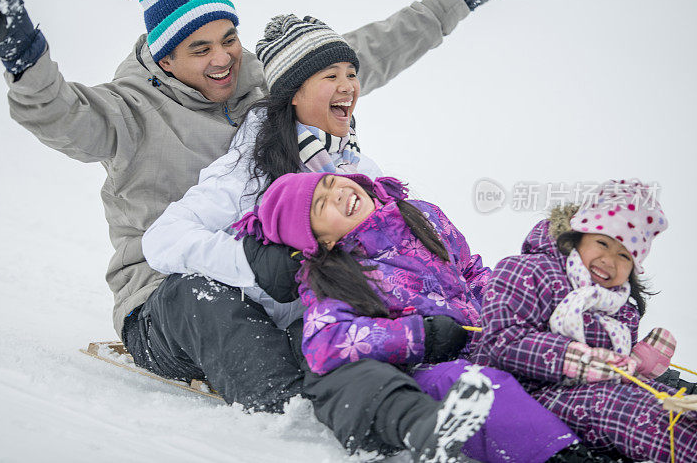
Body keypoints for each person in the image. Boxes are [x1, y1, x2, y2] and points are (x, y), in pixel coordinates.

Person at [0, 0, 521, 457]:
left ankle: (396, 397)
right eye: (200, 49)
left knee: (336, 315)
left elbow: (360, 55)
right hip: (165, 293)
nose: (222, 58)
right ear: (164, 56)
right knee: (206, 300)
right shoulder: (128, 112)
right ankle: (301, 423)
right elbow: (65, 115)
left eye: (229, 40)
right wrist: (25, 61)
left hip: (281, 280)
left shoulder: (262, 80)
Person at [228, 170, 622, 462]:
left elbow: (470, 271)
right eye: (321, 205)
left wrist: (506, 313)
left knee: (557, 367)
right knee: (479, 385)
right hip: (432, 366)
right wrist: (421, 335)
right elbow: (326, 341)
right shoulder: (335, 274)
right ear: (320, 239)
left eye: (332, 184)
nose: (339, 194)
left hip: (488, 339)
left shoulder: (419, 215)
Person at [471, 180, 697, 462]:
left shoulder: (621, 309)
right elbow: (503, 341)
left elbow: (611, 375)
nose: (609, 261)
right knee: (625, 409)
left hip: (582, 398)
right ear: (577, 237)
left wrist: (634, 365)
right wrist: (579, 361)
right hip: (517, 394)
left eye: (624, 255)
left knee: (670, 403)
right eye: (602, 243)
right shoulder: (526, 271)